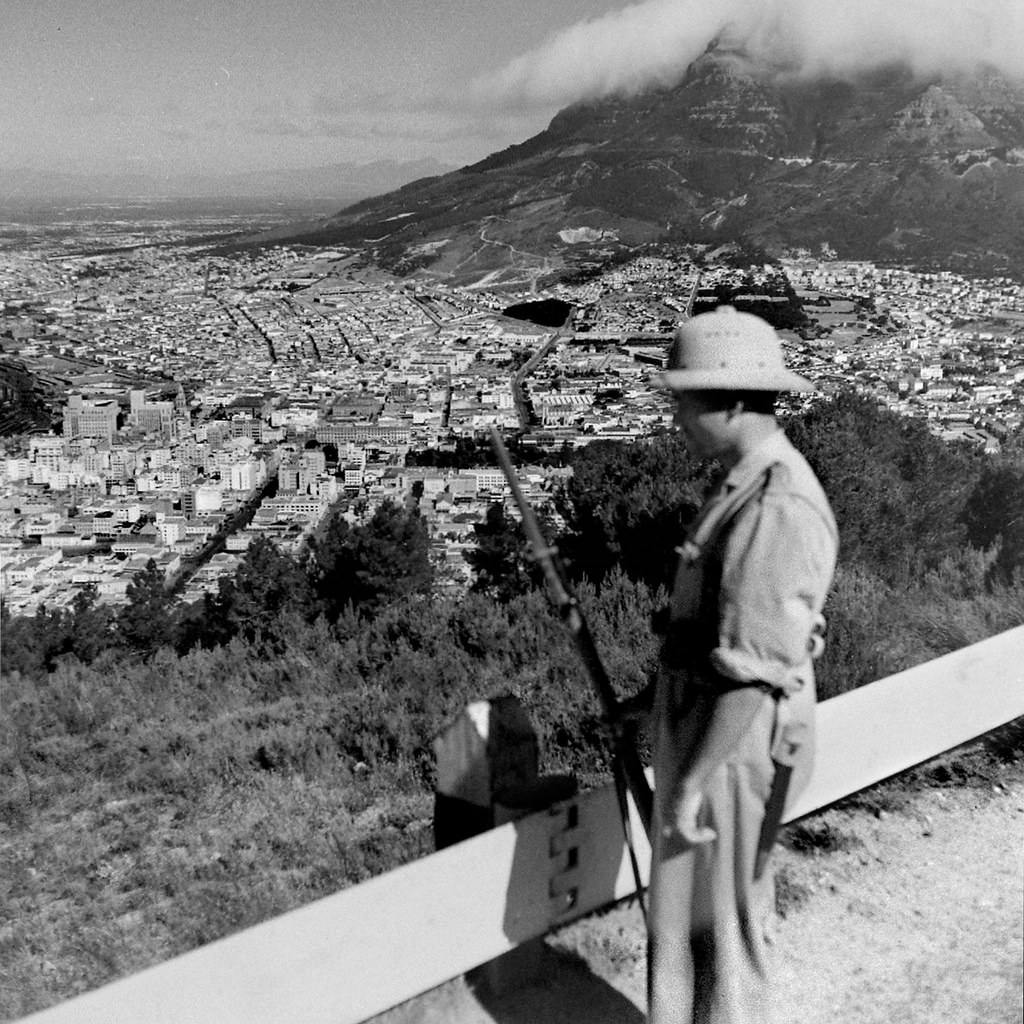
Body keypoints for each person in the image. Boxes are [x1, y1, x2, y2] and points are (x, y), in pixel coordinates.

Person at [644, 306, 838, 1024]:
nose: (678, 420)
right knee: (689, 925)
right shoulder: (742, 483)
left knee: (723, 931)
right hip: (713, 734)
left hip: (733, 748)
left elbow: (753, 670)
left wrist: (694, 782)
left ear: (729, 401)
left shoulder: (777, 502)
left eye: (684, 402)